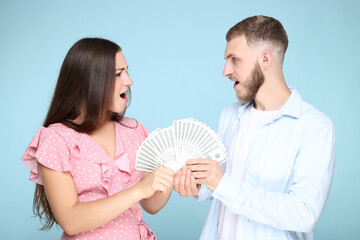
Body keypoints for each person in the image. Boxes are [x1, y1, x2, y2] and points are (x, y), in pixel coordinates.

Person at [173, 15, 336, 240]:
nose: (225, 71)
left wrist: (223, 184)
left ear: (265, 59)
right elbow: (220, 183)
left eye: (234, 59)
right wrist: (198, 186)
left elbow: (304, 212)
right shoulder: (229, 115)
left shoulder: (315, 127)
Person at [21, 38, 174, 240]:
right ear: (91, 81)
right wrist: (139, 190)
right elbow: (71, 220)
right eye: (118, 74)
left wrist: (169, 175)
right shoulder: (56, 139)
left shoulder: (134, 131)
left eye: (127, 71)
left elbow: (151, 205)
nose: (129, 81)